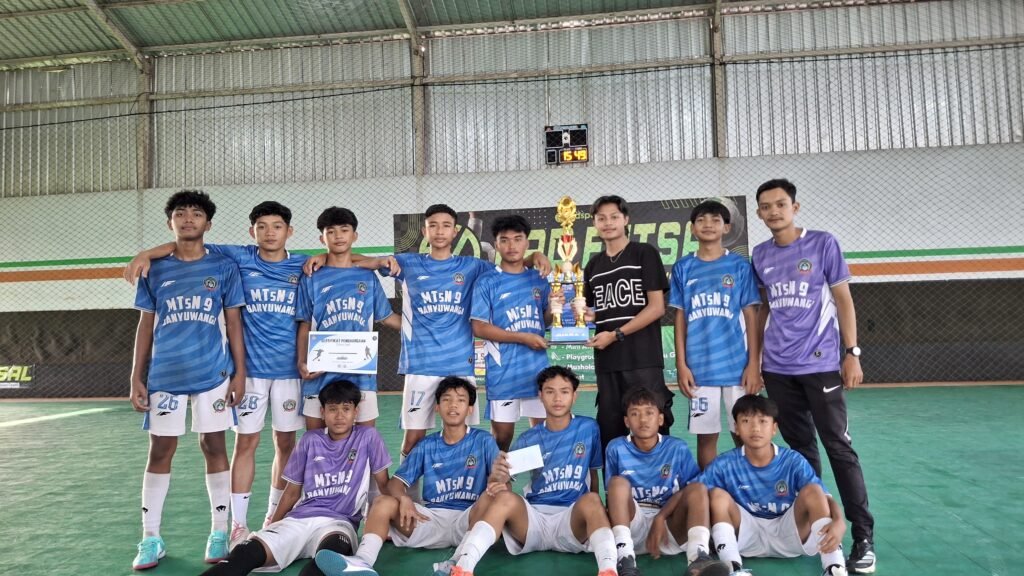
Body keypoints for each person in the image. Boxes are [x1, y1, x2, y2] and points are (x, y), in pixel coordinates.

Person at [125, 200, 309, 547]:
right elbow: (185, 244)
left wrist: (368, 260)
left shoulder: (303, 264)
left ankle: (273, 518)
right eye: (262, 227)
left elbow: (339, 258)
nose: (269, 233)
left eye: (277, 226)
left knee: (285, 443)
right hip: (244, 371)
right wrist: (146, 253)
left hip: (285, 372)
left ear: (290, 231)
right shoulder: (235, 257)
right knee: (242, 443)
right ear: (251, 231)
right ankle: (232, 526)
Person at [332, 204, 549, 482]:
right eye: (432, 225)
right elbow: (353, 259)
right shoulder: (408, 263)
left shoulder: (473, 267)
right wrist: (332, 258)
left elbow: (511, 265)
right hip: (420, 365)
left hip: (459, 365)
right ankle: (408, 495)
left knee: (464, 438)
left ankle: (464, 492)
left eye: (446, 225)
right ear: (424, 231)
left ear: (455, 231)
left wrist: (535, 256)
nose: (439, 231)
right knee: (414, 437)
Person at [752, 179, 875, 573]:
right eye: (766, 206)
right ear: (759, 213)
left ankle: (863, 536)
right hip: (777, 369)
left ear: (795, 207)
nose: (773, 211)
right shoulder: (760, 254)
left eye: (780, 204)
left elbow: (843, 300)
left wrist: (851, 353)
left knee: (838, 447)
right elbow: (763, 309)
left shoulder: (823, 243)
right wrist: (756, 362)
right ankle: (819, 524)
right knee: (802, 449)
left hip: (820, 365)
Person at [128, 190, 246, 569]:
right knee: (160, 451)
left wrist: (240, 373)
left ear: (208, 224)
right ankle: (150, 537)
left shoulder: (224, 267)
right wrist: (136, 377)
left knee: (214, 446)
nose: (189, 218)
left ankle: (219, 531)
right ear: (170, 222)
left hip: (213, 373)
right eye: (181, 213)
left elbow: (233, 324)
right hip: (166, 375)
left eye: (196, 213)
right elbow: (145, 325)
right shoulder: (155, 269)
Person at [436, 366, 617, 576]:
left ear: (574, 396)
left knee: (593, 499)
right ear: (540, 396)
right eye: (550, 391)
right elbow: (503, 480)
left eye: (564, 391)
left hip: (571, 520)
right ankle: (463, 567)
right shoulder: (529, 439)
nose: (557, 398)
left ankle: (608, 569)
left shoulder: (588, 428)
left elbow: (593, 474)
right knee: (504, 497)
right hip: (533, 521)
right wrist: (497, 475)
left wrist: (593, 514)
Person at [199, 380, 391, 576]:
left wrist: (396, 514)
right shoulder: (310, 440)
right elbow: (291, 493)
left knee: (327, 560)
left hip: (339, 524)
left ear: (356, 412)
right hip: (299, 519)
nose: (339, 416)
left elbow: (384, 484)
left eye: (346, 409)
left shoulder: (368, 437)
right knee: (245, 552)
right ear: (322, 412)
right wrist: (273, 526)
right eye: (332, 409)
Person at [312, 376, 500, 576]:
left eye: (461, 400)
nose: (453, 405)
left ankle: (457, 564)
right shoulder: (427, 445)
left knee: (494, 497)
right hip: (430, 519)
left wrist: (497, 480)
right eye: (446, 399)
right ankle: (362, 561)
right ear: (437, 407)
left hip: (470, 519)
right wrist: (404, 498)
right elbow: (394, 484)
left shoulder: (484, 440)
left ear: (470, 409)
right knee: (382, 502)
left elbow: (501, 484)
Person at [697, 395, 849, 576]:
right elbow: (694, 493)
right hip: (745, 536)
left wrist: (839, 521)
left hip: (789, 533)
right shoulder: (724, 463)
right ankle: (733, 568)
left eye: (763, 421)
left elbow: (824, 496)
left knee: (813, 490)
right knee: (716, 495)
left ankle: (834, 567)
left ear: (774, 428)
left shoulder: (792, 460)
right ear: (736, 428)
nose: (755, 428)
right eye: (746, 421)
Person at [668, 199, 762, 469]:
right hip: (699, 369)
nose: (708, 225)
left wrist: (754, 364)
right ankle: (709, 489)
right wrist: (681, 364)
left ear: (726, 227)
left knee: (744, 434)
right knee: (706, 437)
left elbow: (751, 317)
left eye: (715, 220)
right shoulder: (683, 267)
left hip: (737, 367)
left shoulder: (740, 266)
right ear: (692, 228)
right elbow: (680, 318)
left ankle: (747, 486)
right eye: (701, 220)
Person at [296, 207, 400, 431]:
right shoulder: (311, 277)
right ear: (322, 238)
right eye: (331, 231)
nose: (338, 236)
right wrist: (301, 361)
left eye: (344, 230)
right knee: (316, 440)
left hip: (361, 374)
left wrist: (424, 327)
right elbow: (305, 324)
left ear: (354, 236)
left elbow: (387, 317)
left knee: (365, 439)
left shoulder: (367, 277)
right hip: (319, 374)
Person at [581, 195, 674, 449]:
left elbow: (656, 307)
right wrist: (585, 315)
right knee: (611, 430)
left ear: (626, 220)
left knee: (652, 427)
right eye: (601, 218)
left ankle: (659, 475)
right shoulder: (593, 265)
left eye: (614, 217)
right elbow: (598, 311)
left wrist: (616, 334)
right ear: (594, 223)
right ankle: (615, 477)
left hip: (642, 359)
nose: (608, 223)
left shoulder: (644, 253)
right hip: (608, 362)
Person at [604, 387, 712, 576]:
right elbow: (611, 496)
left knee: (697, 488)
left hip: (669, 527)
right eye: (635, 414)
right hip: (632, 527)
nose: (643, 420)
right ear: (627, 421)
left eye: (649, 413)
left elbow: (690, 491)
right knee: (617, 483)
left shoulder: (677, 448)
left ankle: (698, 558)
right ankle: (625, 559)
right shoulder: (616, 448)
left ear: (660, 419)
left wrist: (661, 517)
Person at [470, 215, 552, 450]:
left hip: (537, 369)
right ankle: (497, 473)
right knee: (502, 438)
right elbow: (479, 327)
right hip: (503, 372)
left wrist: (555, 309)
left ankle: (541, 474)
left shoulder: (539, 279)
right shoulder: (487, 282)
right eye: (504, 240)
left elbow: (545, 321)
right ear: (496, 245)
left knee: (543, 435)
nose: (511, 245)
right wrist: (522, 338)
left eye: (517, 239)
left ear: (527, 243)